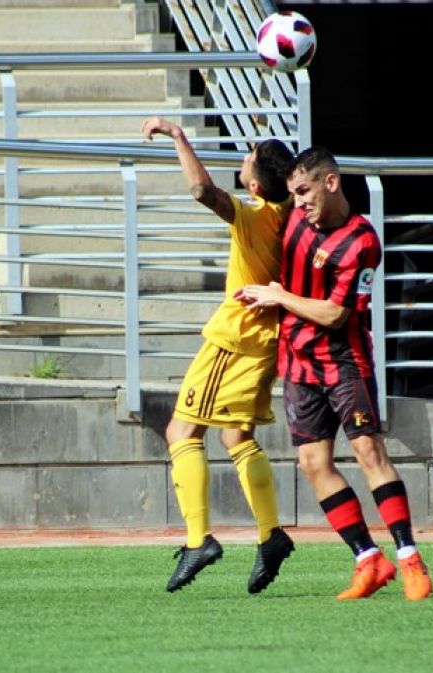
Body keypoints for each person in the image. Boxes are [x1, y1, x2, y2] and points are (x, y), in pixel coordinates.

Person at [235, 146, 433, 601]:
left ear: (331, 183)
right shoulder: (293, 218)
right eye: (292, 193)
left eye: (304, 191)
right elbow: (246, 186)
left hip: (345, 362)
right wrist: (252, 158)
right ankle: (368, 559)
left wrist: (279, 297)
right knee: (312, 463)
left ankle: (409, 559)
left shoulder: (361, 241)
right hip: (298, 364)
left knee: (368, 452)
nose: (298, 202)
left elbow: (334, 315)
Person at [141, 117, 295, 594]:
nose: (243, 160)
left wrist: (179, 136)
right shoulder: (291, 211)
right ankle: (270, 534)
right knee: (236, 435)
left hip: (234, 338)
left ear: (254, 184)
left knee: (181, 430)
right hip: (266, 340)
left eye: (247, 159)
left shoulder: (255, 217)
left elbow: (202, 192)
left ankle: (197, 540)